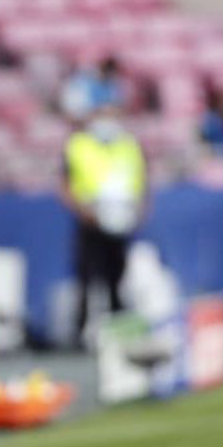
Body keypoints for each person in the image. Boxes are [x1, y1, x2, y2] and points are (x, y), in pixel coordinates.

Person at [62, 105, 149, 345]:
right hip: (91, 220)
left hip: (121, 221)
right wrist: (83, 211)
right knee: (87, 278)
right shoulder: (79, 145)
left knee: (117, 278)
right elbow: (66, 183)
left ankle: (119, 332)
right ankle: (79, 334)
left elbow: (141, 179)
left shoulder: (128, 145)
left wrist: (139, 210)